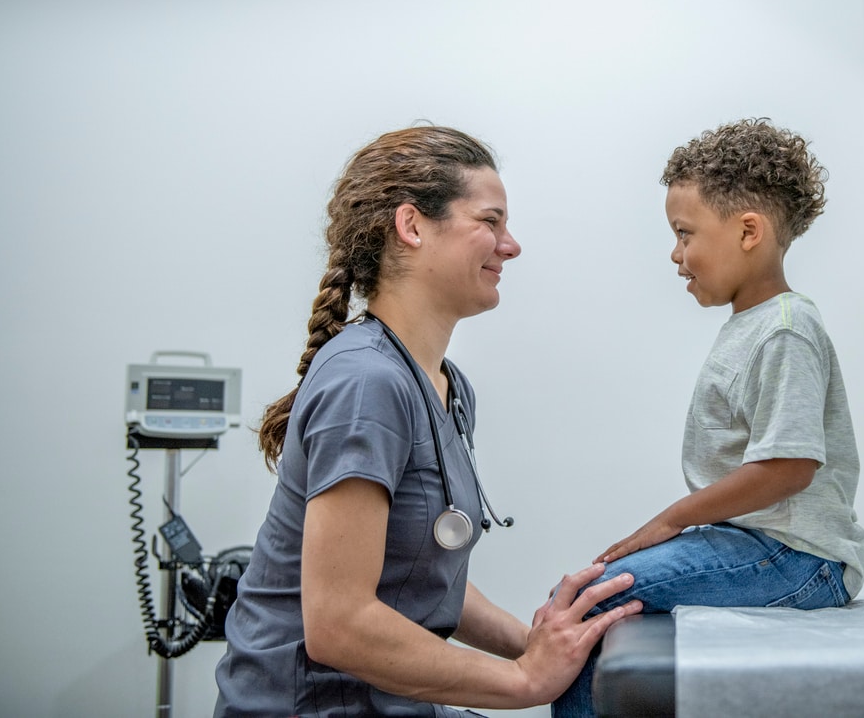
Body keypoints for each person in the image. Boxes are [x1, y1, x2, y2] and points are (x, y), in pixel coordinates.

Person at [214, 125, 642, 717]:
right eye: (490, 222)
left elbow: (419, 579)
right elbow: (339, 624)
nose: (510, 245)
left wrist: (541, 648)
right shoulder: (367, 383)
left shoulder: (444, 385)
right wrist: (522, 683)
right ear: (412, 226)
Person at [553, 118, 864, 717]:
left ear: (748, 230)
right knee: (581, 594)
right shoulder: (753, 324)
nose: (676, 256)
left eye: (684, 234)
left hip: (801, 559)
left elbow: (789, 467)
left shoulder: (785, 330)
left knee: (588, 601)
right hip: (758, 542)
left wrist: (670, 521)